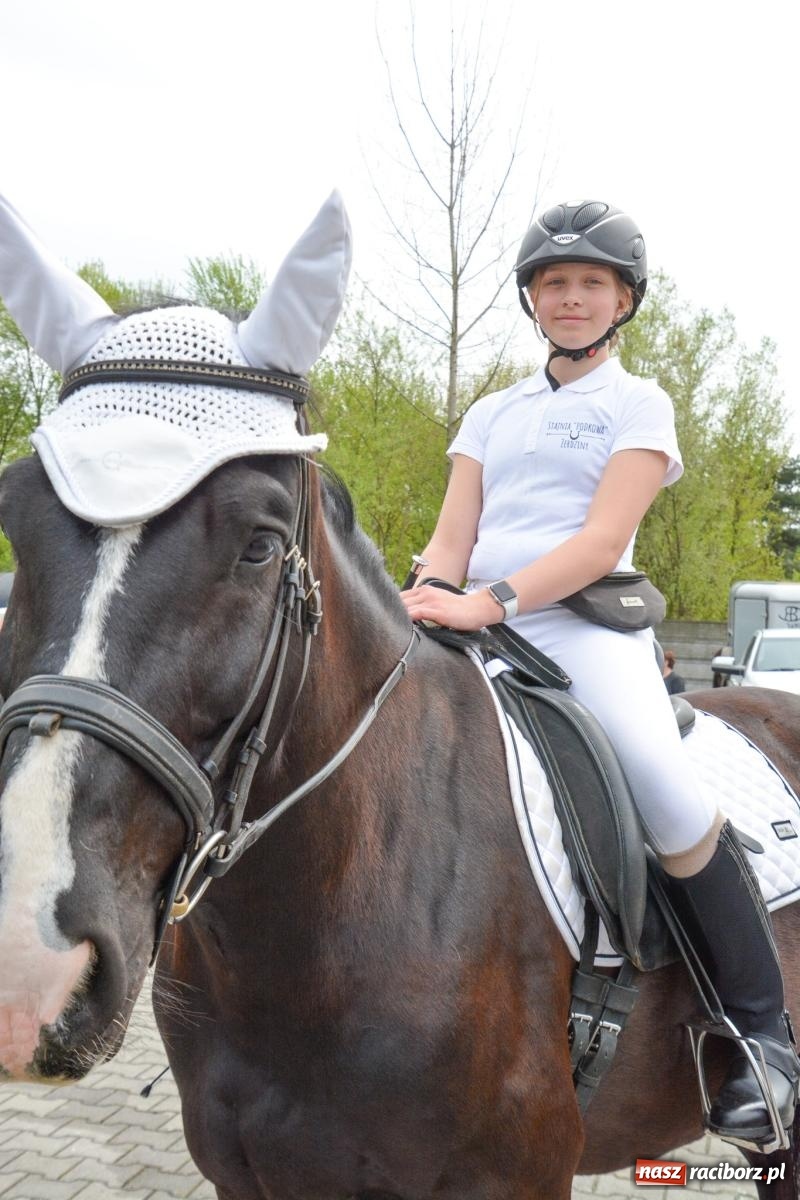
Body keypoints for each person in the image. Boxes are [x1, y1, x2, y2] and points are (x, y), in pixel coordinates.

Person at [401, 199, 799, 1147]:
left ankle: (759, 1037)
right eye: (554, 284)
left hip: (580, 627)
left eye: (591, 284)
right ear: (532, 300)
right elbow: (452, 535)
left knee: (663, 784)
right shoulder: (492, 410)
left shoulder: (636, 402)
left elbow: (600, 540)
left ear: (622, 301)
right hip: (470, 622)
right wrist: (418, 595)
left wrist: (484, 601)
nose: (570, 298)